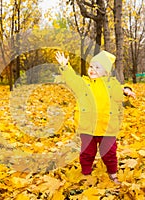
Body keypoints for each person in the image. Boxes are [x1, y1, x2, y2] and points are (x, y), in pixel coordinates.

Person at [55, 50, 135, 185]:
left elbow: (120, 93)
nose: (92, 70)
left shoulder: (112, 83)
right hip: (87, 127)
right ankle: (86, 173)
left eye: (97, 67)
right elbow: (72, 80)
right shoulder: (83, 83)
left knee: (109, 153)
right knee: (87, 153)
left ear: (106, 72)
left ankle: (113, 174)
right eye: (91, 66)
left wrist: (126, 90)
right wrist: (65, 66)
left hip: (107, 126)